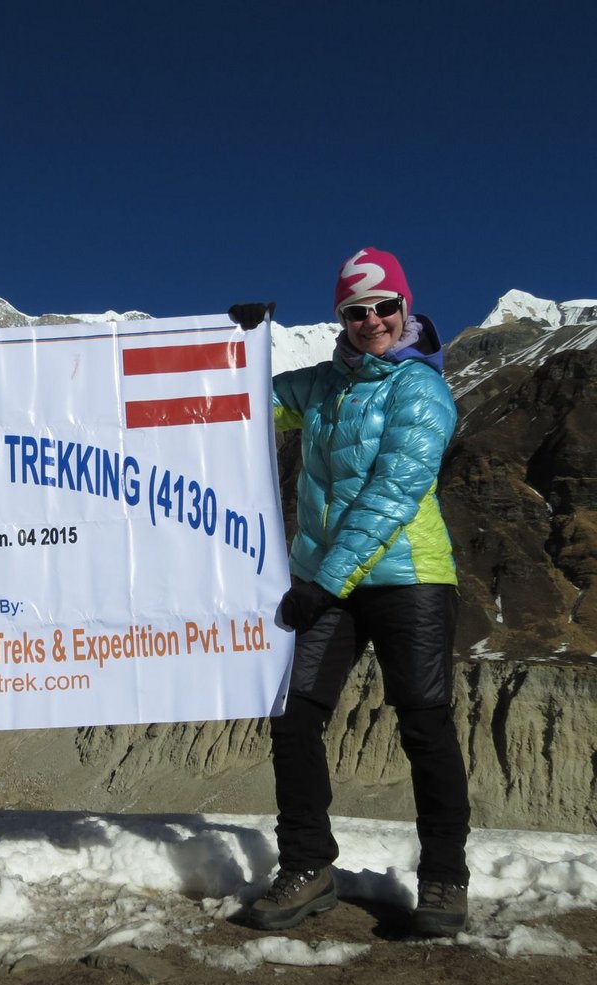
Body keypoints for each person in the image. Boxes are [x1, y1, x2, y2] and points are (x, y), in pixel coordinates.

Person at [228, 247, 470, 937]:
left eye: (384, 308)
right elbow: (247, 407)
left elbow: (395, 490)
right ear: (341, 317)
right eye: (356, 311)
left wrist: (321, 583)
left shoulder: (421, 389)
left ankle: (445, 880)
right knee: (295, 715)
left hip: (410, 579)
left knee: (424, 724)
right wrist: (243, 345)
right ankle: (308, 867)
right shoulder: (325, 386)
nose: (372, 322)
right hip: (327, 580)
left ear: (406, 308)